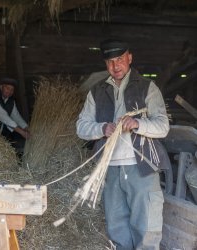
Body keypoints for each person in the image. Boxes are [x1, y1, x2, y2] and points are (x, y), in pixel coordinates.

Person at [76, 39, 170, 249]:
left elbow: (163, 126)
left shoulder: (147, 87)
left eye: (119, 59)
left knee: (146, 226)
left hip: (142, 167)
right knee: (116, 225)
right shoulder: (97, 91)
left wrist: (138, 123)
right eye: (109, 61)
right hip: (109, 168)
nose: (115, 66)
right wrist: (102, 129)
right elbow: (81, 127)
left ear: (129, 58)